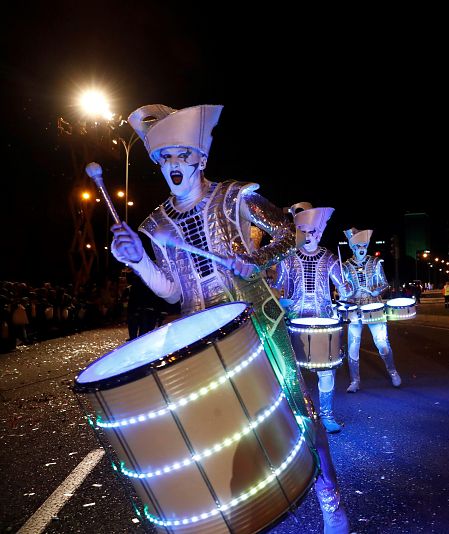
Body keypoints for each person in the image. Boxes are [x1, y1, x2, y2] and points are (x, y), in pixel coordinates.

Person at [108, 104, 349, 532]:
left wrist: (254, 259)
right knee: (220, 430)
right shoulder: (157, 222)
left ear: (200, 158)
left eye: (182, 155)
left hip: (260, 325)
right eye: (165, 158)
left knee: (299, 407)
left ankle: (329, 499)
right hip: (200, 338)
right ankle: (245, 513)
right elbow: (173, 290)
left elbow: (289, 235)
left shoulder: (237, 196)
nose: (173, 166)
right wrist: (140, 259)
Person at [273, 202, 351, 433]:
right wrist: (278, 298)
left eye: (313, 232)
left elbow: (343, 287)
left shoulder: (329, 258)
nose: (308, 236)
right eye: (303, 232)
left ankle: (326, 415)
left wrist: (346, 287)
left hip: (322, 321)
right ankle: (298, 417)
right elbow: (276, 287)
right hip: (295, 322)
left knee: (326, 370)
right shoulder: (286, 258)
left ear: (320, 232)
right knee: (291, 373)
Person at [340, 227, 401, 393]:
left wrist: (377, 290)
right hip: (354, 309)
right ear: (352, 247)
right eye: (358, 246)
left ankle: (393, 371)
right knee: (353, 345)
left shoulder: (374, 263)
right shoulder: (344, 266)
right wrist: (344, 291)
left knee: (382, 343)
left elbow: (385, 283)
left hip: (373, 306)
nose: (361, 249)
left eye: (364, 245)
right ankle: (355, 381)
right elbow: (343, 290)